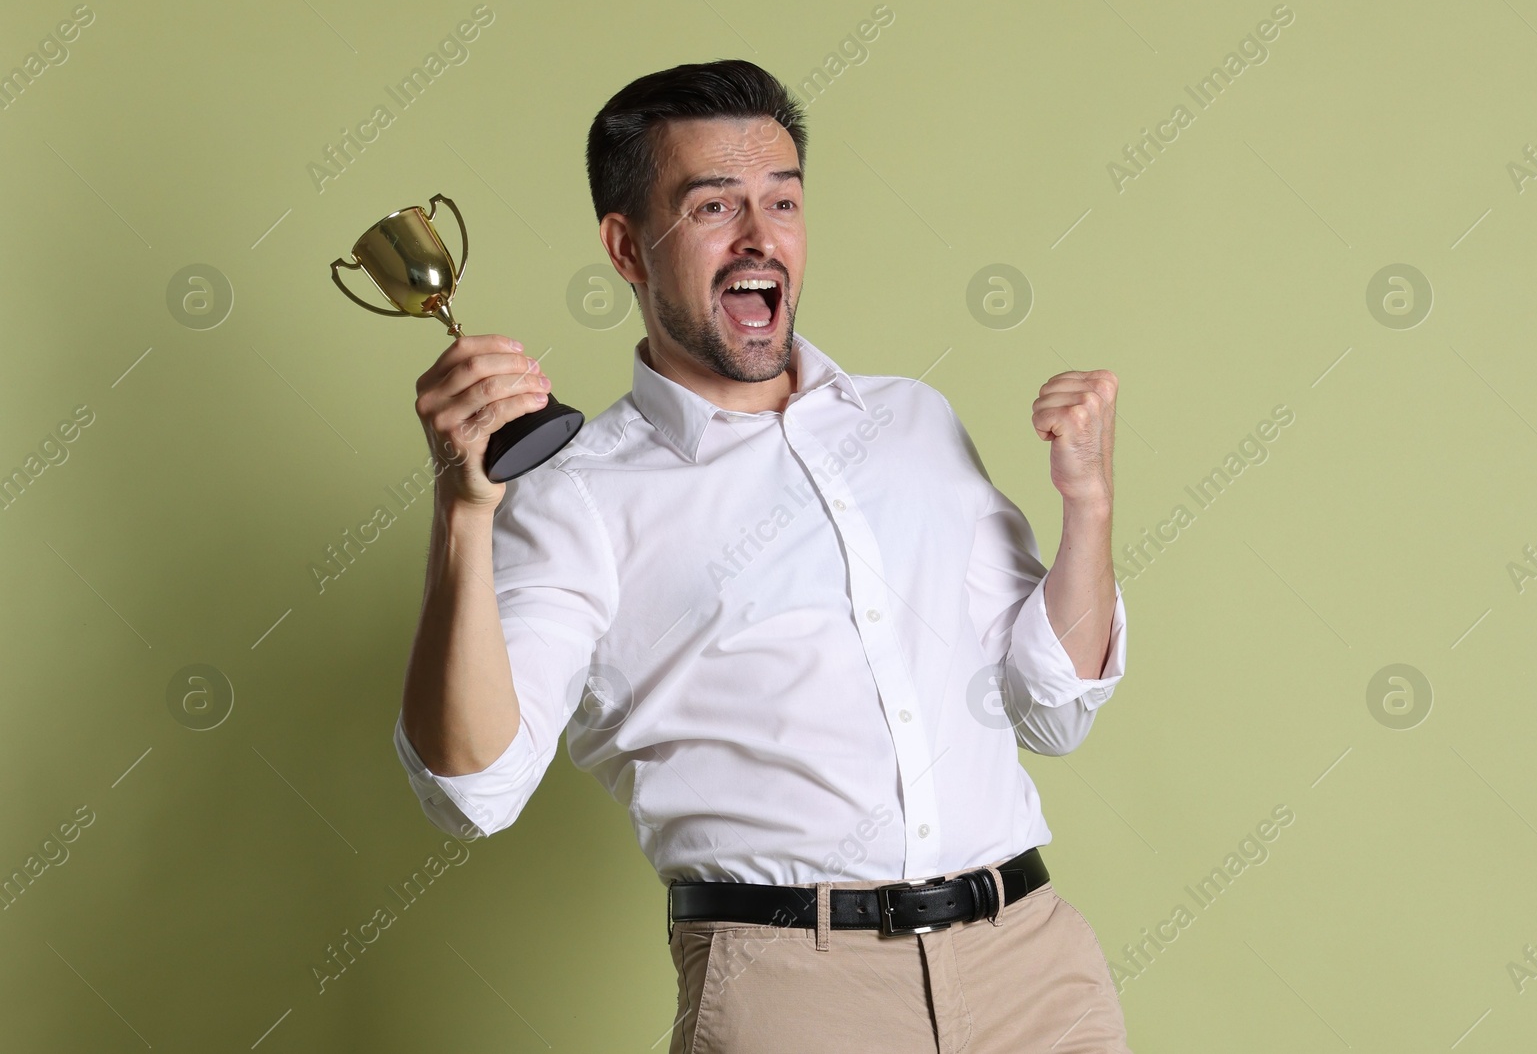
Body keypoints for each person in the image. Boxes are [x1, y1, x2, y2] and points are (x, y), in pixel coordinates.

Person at [394, 59, 1133, 1052]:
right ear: (627, 246)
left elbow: (1053, 707)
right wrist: (461, 513)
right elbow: (472, 791)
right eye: (712, 205)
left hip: (1033, 968)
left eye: (781, 200)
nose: (759, 235)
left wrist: (1087, 507)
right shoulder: (577, 496)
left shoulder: (913, 422)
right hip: (795, 994)